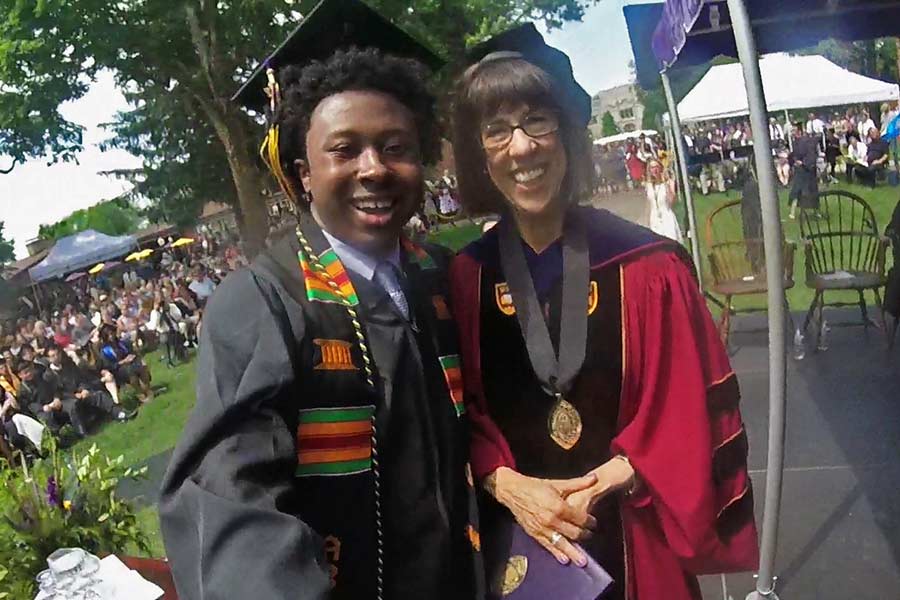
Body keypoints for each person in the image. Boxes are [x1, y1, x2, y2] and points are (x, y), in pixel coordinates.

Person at [159, 4, 481, 599]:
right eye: (344, 150)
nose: (374, 169)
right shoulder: (264, 302)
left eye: (395, 146)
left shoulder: (441, 279)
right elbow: (234, 501)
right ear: (304, 174)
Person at [450, 24, 758, 600]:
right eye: (496, 130)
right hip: (516, 552)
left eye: (537, 121)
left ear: (566, 132)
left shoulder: (648, 267)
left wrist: (605, 479)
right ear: (479, 154)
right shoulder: (464, 280)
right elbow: (452, 416)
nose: (521, 148)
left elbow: (690, 406)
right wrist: (508, 483)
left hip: (635, 534)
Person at [644, 159, 683, 243]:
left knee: (672, 243)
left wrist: (666, 184)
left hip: (667, 217)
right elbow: (649, 205)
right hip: (654, 219)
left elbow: (671, 201)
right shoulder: (648, 185)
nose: (654, 170)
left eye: (656, 167)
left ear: (661, 168)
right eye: (651, 167)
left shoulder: (669, 183)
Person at [788, 122, 819, 219]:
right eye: (791, 130)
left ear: (799, 131)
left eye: (793, 130)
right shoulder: (795, 142)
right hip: (800, 171)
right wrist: (793, 160)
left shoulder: (807, 141)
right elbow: (794, 155)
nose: (792, 132)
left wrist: (804, 163)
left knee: (812, 191)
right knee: (796, 191)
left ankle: (816, 212)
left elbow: (811, 154)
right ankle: (792, 213)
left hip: (808, 170)